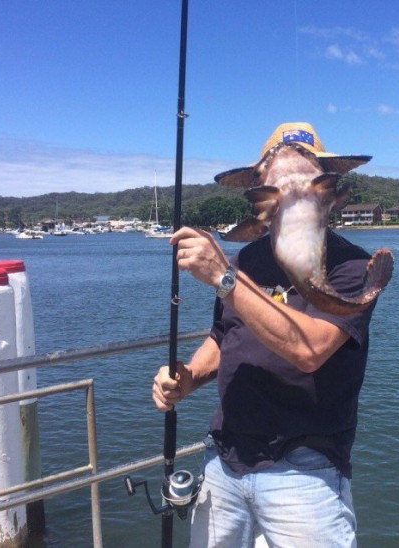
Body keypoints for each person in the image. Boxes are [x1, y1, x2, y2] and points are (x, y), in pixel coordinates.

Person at [152, 122, 385, 547]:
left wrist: (224, 278)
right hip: (224, 459)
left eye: (306, 183)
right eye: (279, 186)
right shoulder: (247, 260)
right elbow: (225, 337)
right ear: (263, 199)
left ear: (329, 194)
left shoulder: (354, 268)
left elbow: (309, 349)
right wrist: (188, 378)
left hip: (304, 470)